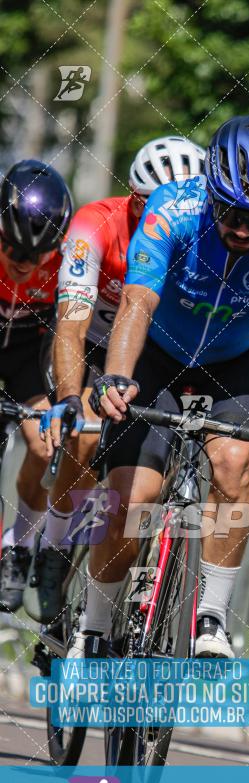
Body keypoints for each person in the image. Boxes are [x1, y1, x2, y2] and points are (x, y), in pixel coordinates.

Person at [71, 114, 249, 660]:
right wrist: (118, 377)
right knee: (134, 496)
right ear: (210, 190)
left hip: (237, 360)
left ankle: (212, 617)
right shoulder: (172, 207)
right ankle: (95, 622)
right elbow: (138, 301)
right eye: (230, 213)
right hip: (157, 355)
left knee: (232, 467)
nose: (244, 230)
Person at [33, 136, 206, 625]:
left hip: (147, 350)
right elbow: (70, 323)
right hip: (89, 340)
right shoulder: (94, 226)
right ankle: (55, 544)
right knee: (85, 433)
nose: (170, 216)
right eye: (154, 205)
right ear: (133, 200)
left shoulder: (196, 234)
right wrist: (70, 398)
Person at [0, 160, 72, 613]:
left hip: (29, 357)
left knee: (45, 447)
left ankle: (16, 547)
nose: (24, 264)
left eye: (37, 256)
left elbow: (71, 329)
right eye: (13, 252)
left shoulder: (68, 260)